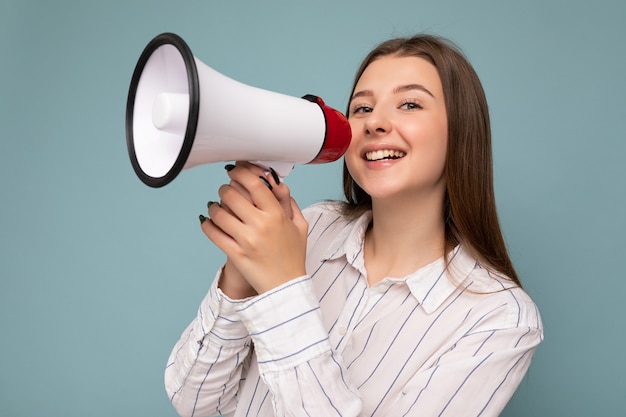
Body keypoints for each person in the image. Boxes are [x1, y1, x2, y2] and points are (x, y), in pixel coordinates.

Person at [164, 34, 543, 417]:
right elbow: (195, 403)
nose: (375, 122)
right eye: (361, 108)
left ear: (461, 132)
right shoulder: (309, 227)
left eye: (410, 104)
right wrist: (241, 274)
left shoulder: (499, 318)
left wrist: (282, 287)